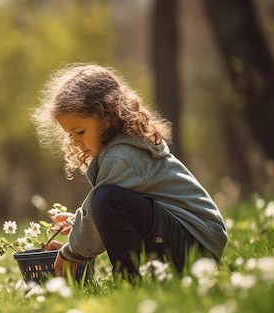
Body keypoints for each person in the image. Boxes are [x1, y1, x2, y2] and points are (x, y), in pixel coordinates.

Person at [31, 63, 227, 281]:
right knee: (106, 200)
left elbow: (103, 205)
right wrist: (76, 225)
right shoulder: (122, 148)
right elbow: (115, 215)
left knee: (107, 199)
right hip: (187, 240)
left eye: (80, 131)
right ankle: (138, 279)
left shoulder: (122, 155)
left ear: (106, 116)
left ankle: (128, 281)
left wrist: (71, 252)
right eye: (70, 135)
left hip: (197, 246)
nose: (76, 142)